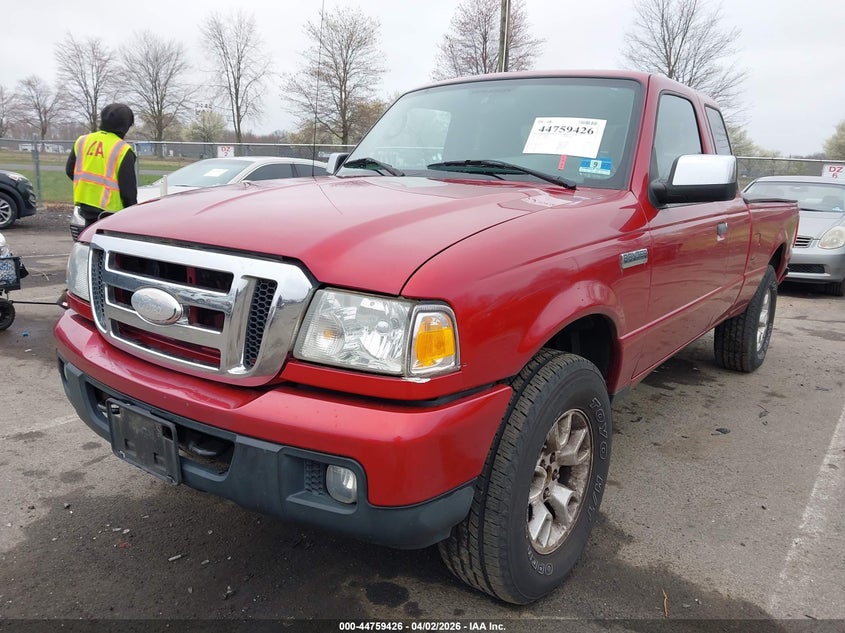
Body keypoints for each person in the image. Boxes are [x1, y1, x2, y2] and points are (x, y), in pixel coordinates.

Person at [65, 103, 137, 229]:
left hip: (85, 204)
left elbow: (70, 170)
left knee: (89, 240)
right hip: (111, 211)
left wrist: (89, 188)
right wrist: (132, 213)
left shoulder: (82, 140)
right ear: (126, 125)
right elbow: (128, 190)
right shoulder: (123, 149)